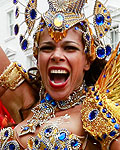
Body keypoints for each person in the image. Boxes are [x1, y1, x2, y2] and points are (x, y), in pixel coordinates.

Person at [0, 0, 120, 149]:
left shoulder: (98, 116)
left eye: (69, 48)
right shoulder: (27, 103)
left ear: (87, 61)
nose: (56, 55)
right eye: (47, 48)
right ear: (37, 59)